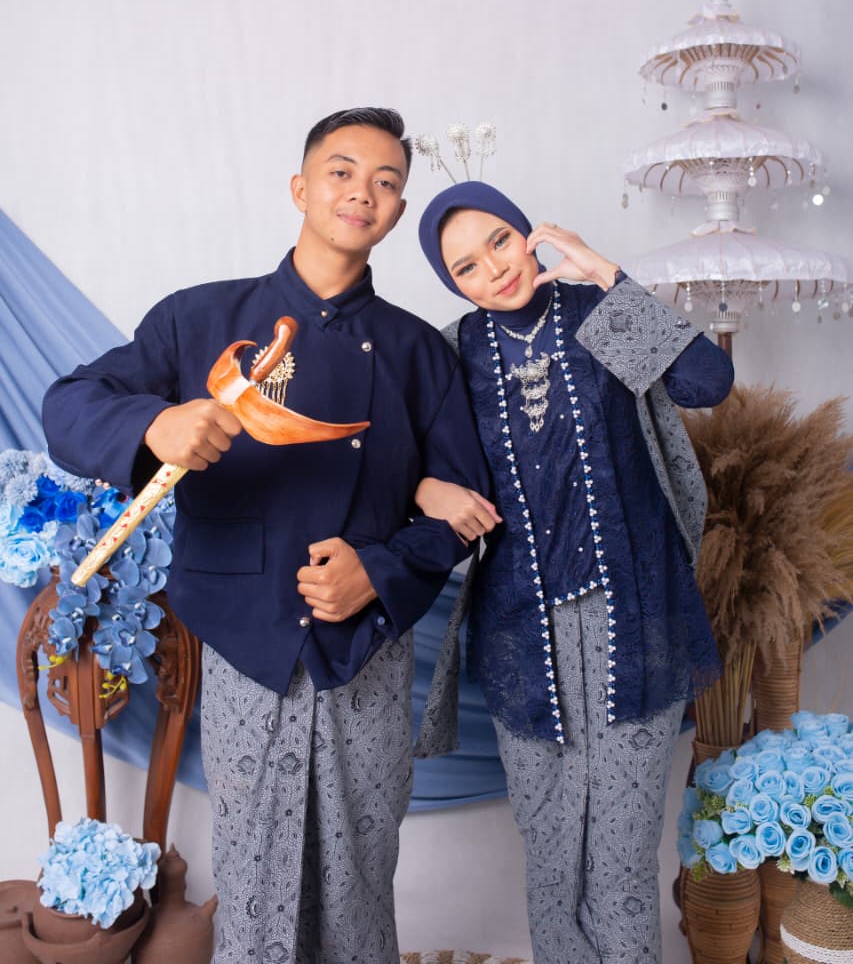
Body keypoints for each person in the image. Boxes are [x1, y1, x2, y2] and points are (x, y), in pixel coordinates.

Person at [42, 109, 490, 964]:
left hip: (368, 651)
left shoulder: (416, 352)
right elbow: (68, 404)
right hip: (244, 644)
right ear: (301, 188)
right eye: (341, 171)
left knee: (359, 881)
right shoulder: (199, 318)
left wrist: (379, 570)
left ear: (397, 213)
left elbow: (462, 512)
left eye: (386, 182)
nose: (361, 192)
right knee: (252, 883)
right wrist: (155, 425)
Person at [414, 180, 734, 964]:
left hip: (636, 618)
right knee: (552, 858)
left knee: (619, 860)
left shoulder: (599, 314)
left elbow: (706, 384)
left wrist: (606, 275)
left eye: (499, 240)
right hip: (521, 634)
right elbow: (403, 464)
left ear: (529, 232)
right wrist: (424, 488)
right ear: (451, 283)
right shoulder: (452, 354)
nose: (493, 268)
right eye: (465, 266)